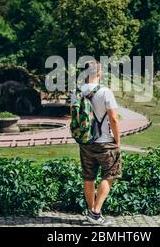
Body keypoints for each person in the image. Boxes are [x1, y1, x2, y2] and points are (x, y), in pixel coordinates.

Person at [71, 60, 121, 226]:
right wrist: (118, 141)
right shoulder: (105, 91)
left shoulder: (76, 92)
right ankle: (96, 212)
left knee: (89, 177)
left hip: (85, 142)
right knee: (111, 175)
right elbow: (113, 118)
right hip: (104, 142)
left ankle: (92, 214)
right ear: (99, 73)